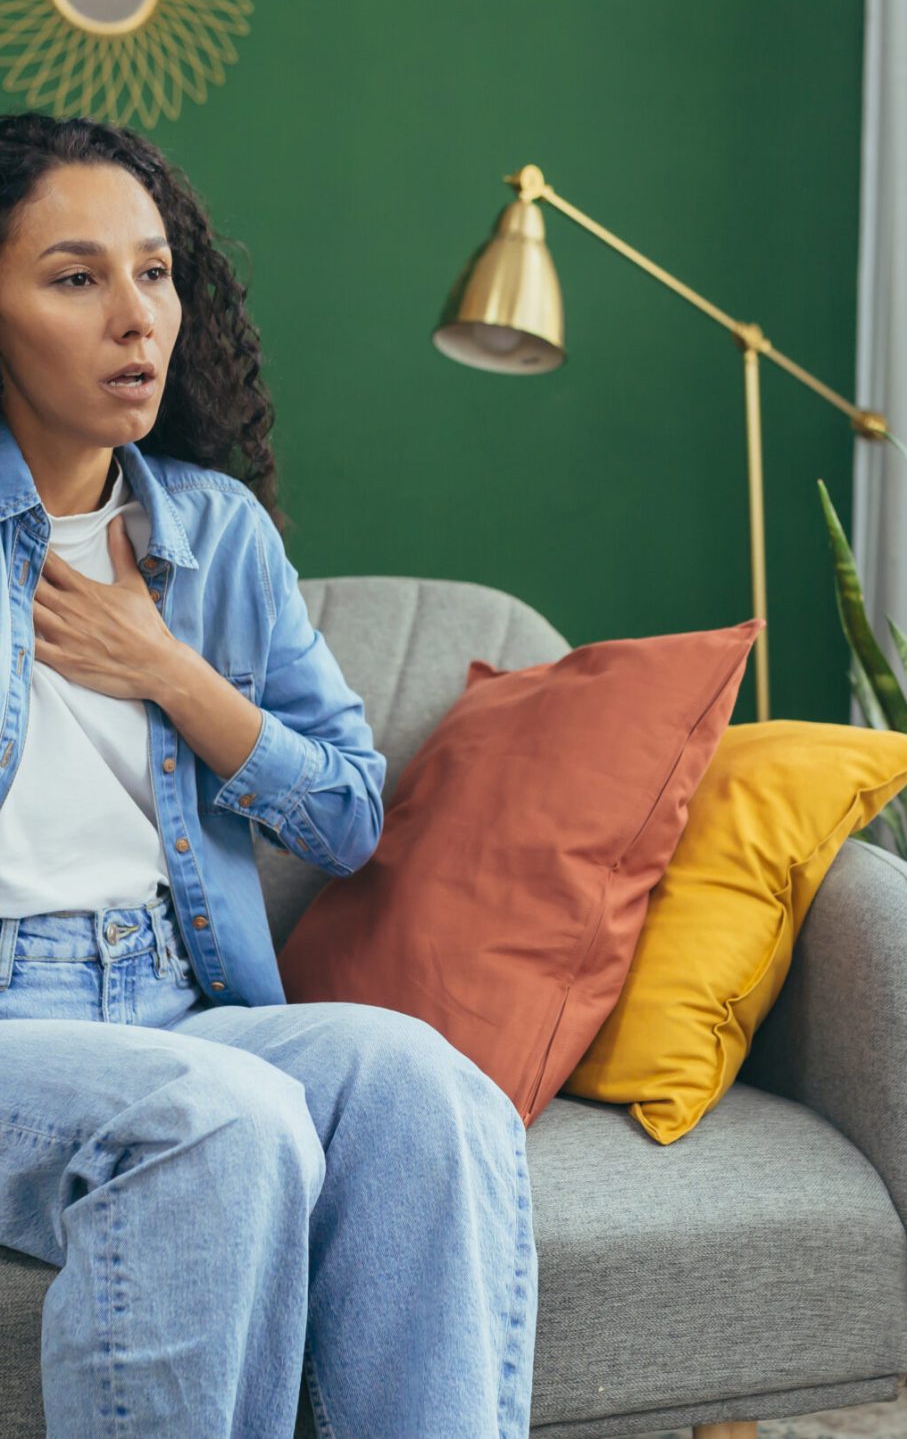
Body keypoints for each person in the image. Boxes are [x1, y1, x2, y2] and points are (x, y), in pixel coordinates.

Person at [0, 111, 538, 1438]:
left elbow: (350, 816)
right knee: (228, 1117)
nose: (136, 317)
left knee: (425, 1087)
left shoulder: (213, 533)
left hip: (180, 999)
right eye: (77, 279)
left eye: (156, 271)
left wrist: (170, 673)